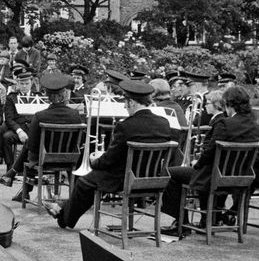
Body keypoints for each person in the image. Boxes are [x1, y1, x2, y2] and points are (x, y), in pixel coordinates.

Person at [45, 79, 176, 229]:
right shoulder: (164, 123)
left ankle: (64, 219)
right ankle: (62, 208)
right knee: (90, 181)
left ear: (132, 103)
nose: (126, 107)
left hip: (124, 178)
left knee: (84, 182)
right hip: (152, 178)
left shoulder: (126, 126)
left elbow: (110, 159)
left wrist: (95, 160)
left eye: (126, 104)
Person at [161, 86, 259, 231]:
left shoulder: (224, 124)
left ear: (228, 104)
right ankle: (211, 218)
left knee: (170, 173)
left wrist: (196, 163)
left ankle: (182, 222)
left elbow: (210, 153)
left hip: (214, 177)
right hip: (239, 177)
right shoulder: (255, 127)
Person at [14, 72, 84, 206]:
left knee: (29, 150)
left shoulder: (40, 116)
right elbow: (78, 142)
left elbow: (33, 146)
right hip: (69, 159)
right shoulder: (75, 115)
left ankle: (20, 183)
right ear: (65, 95)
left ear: (47, 97)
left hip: (44, 160)